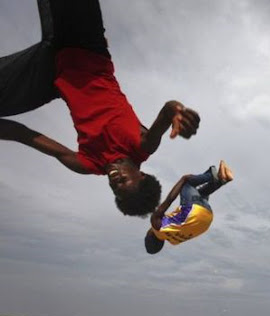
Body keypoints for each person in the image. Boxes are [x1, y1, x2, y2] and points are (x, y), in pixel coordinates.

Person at [0, 0, 201, 217]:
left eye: (115, 188)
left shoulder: (87, 164)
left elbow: (26, 136)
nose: (115, 180)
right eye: (123, 180)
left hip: (52, 75)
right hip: (87, 47)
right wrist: (179, 112)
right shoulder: (141, 146)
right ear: (141, 175)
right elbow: (167, 111)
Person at [144, 161, 233, 254]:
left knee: (199, 195)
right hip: (194, 211)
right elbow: (169, 200)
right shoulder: (156, 224)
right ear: (149, 235)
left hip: (207, 218)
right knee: (187, 184)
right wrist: (183, 180)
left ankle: (222, 180)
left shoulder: (174, 241)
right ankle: (212, 175)